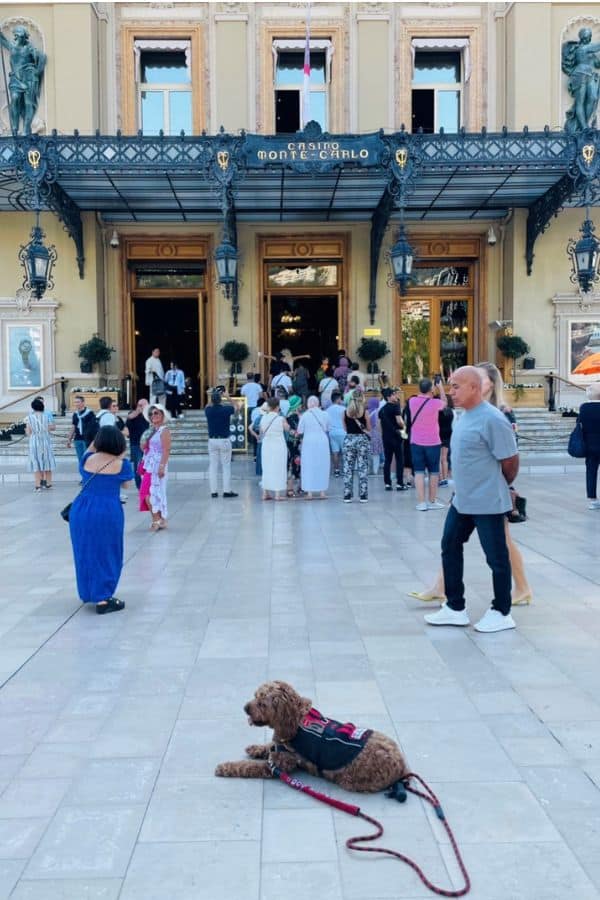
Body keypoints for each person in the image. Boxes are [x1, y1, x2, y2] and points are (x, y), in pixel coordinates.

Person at [411, 362, 533, 607]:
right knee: (453, 543)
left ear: (484, 385)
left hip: (490, 493)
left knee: (499, 548)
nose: (455, 390)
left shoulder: (498, 414)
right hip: (468, 493)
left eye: (481, 379)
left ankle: (513, 597)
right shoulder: (467, 412)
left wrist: (500, 485)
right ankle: (446, 592)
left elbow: (509, 458)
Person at [69, 425, 133, 614]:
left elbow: (89, 450)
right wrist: (120, 453)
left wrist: (96, 441)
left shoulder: (87, 459)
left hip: (81, 509)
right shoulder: (122, 464)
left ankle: (89, 591)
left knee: (85, 551)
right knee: (108, 552)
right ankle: (103, 598)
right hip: (107, 511)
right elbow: (127, 485)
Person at [407, 377, 446, 511]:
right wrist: (440, 388)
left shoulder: (412, 401)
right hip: (433, 442)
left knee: (418, 472)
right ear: (431, 389)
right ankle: (432, 501)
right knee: (434, 472)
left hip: (416, 442)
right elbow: (445, 403)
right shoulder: (435, 403)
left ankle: (422, 503)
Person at [0, 26, 46, 135]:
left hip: (29, 78)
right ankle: (14, 128)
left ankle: (26, 128)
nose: (15, 38)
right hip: (16, 79)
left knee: (28, 103)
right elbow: (2, 40)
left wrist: (37, 72)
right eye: (14, 35)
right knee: (15, 99)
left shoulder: (30, 49)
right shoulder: (12, 47)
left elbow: (42, 58)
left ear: (23, 36)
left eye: (17, 35)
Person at [562, 27, 600, 132]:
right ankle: (584, 127)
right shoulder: (581, 49)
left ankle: (583, 125)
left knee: (592, 99)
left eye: (590, 35)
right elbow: (597, 46)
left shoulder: (590, 53)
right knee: (580, 102)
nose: (589, 37)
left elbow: (597, 64)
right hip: (579, 75)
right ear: (584, 37)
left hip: (590, 75)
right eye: (588, 35)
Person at [141, 403, 172, 530]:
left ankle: (157, 519)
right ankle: (159, 518)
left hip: (158, 463)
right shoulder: (150, 431)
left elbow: (166, 449)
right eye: (151, 414)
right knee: (147, 492)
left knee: (155, 491)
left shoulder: (164, 431)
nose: (153, 415)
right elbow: (144, 447)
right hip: (148, 464)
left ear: (162, 415)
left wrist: (162, 466)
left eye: (156, 413)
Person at [205, 390, 238, 499]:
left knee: (213, 466)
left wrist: (211, 397)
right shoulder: (226, 409)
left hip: (212, 440)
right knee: (226, 466)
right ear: (220, 400)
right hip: (224, 440)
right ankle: (226, 490)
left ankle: (213, 491)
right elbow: (237, 406)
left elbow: (207, 405)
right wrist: (228, 397)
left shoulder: (208, 410)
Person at [298, 395, 330, 499]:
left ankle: (310, 493)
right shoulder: (325, 414)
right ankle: (322, 492)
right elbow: (328, 428)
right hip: (322, 441)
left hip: (309, 442)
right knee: (323, 465)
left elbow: (300, 431)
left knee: (308, 465)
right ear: (318, 403)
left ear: (308, 404)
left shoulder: (305, 415)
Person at [342, 390, 371, 503]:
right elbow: (368, 429)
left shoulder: (345, 412)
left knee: (348, 468)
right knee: (362, 467)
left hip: (349, 440)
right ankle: (363, 495)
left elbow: (345, 428)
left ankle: (347, 495)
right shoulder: (365, 412)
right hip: (362, 440)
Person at [260, 396, 289, 500]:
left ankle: (265, 493)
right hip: (279, 445)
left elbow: (261, 431)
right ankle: (277, 494)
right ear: (277, 407)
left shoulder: (263, 418)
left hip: (267, 445)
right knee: (278, 467)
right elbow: (287, 429)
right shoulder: (280, 418)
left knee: (267, 468)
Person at [379, 387, 408, 491]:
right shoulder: (395, 407)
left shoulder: (382, 410)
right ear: (388, 397)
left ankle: (387, 483)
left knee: (388, 460)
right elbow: (399, 421)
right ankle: (400, 483)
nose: (396, 396)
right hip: (396, 437)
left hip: (386, 438)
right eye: (394, 394)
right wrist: (404, 427)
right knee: (400, 460)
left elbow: (380, 426)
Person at [576, 381, 600, 509]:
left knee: (591, 472)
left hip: (590, 446)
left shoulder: (584, 408)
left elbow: (580, 424)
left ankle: (592, 499)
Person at [25, 397, 56, 491]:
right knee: (47, 461)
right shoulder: (47, 416)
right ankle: (49, 483)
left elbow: (29, 432)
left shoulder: (29, 417)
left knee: (36, 462)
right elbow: (53, 428)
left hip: (34, 442)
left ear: (33, 407)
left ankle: (38, 485)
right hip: (45, 441)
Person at [67, 395, 99, 463]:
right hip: (78, 439)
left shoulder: (90, 413)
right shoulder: (75, 414)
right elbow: (73, 427)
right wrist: (69, 439)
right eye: (75, 402)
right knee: (80, 459)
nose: (76, 404)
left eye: (78, 402)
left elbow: (93, 428)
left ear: (83, 403)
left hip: (87, 439)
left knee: (88, 458)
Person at [126, 398, 149, 489]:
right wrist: (138, 411)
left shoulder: (148, 415)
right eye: (141, 405)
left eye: (145, 405)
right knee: (138, 466)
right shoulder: (133, 413)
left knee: (147, 465)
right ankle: (140, 486)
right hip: (136, 444)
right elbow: (129, 417)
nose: (143, 407)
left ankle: (147, 485)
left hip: (146, 444)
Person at [285, 395, 303, 497]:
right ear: (296, 405)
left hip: (294, 444)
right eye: (300, 404)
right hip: (294, 444)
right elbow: (293, 431)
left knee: (296, 464)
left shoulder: (289, 415)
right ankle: (291, 489)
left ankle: (297, 488)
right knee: (293, 464)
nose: (301, 406)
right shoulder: (292, 417)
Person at [326, 390, 345, 477]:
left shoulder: (327, 410)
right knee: (345, 452)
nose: (342, 401)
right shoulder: (343, 409)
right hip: (342, 432)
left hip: (332, 433)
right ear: (338, 400)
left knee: (335, 452)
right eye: (341, 399)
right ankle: (345, 469)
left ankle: (336, 470)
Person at [366, 396, 383, 476]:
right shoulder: (379, 412)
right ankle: (375, 470)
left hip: (367, 434)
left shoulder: (366, 412)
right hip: (377, 434)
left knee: (368, 453)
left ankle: (368, 469)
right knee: (376, 454)